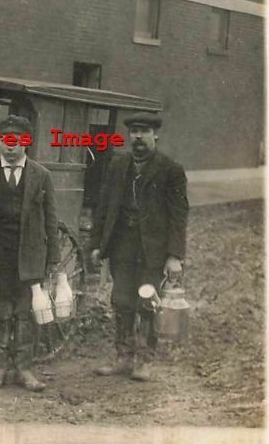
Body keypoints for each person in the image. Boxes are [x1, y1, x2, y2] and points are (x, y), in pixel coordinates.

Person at [0, 115, 60, 392]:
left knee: (26, 312)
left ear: (26, 143)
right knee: (0, 310)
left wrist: (53, 259)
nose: (11, 147)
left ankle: (25, 369)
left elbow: (51, 220)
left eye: (17, 142)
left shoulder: (42, 176)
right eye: (6, 141)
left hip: (29, 256)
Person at [89, 112, 189, 381]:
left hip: (152, 249)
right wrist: (97, 244)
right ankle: (123, 357)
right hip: (122, 244)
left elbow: (179, 216)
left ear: (155, 134)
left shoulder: (171, 170)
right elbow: (104, 207)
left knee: (147, 301)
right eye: (134, 132)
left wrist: (174, 255)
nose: (138, 137)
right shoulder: (117, 165)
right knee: (121, 300)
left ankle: (144, 359)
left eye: (144, 132)